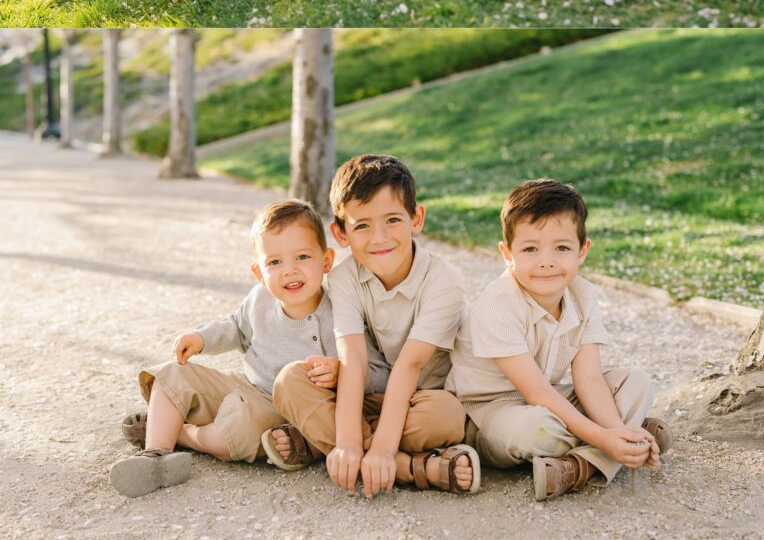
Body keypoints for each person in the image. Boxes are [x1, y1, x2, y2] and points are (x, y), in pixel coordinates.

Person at [109, 200, 385, 498]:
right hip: (245, 387)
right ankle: (155, 454)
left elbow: (379, 372)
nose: (289, 271)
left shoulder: (341, 312)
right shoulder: (259, 300)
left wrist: (341, 373)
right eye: (274, 263)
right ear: (259, 272)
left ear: (327, 261)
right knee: (172, 373)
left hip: (277, 410)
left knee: (237, 430)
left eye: (303, 257)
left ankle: (180, 434)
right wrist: (201, 338)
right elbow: (234, 326)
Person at [265, 153, 482, 498]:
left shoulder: (444, 280)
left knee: (448, 416)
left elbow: (412, 364)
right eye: (362, 225)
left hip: (422, 400)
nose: (379, 237)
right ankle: (409, 467)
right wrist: (351, 441)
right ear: (340, 233)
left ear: (416, 218)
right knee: (291, 381)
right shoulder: (344, 278)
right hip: (369, 396)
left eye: (393, 220)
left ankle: (330, 446)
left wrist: (380, 447)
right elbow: (353, 358)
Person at [444, 179, 672, 501]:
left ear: (583, 251)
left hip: (550, 399)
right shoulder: (498, 305)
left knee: (638, 383)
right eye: (530, 249)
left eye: (562, 248)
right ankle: (625, 441)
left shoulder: (583, 295)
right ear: (507, 254)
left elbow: (590, 378)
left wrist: (612, 430)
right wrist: (607, 436)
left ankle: (582, 464)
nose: (546, 261)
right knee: (538, 430)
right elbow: (533, 391)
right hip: (490, 414)